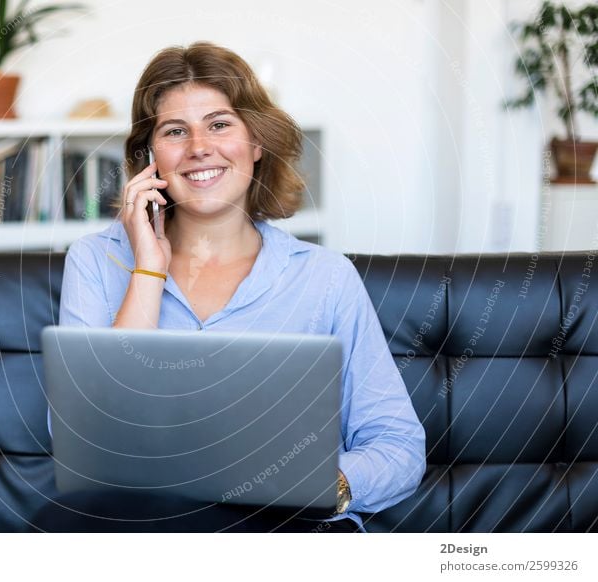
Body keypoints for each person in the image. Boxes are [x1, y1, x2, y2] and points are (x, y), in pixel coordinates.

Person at [47, 42, 425, 533]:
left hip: (288, 526)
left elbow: (396, 444)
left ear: (257, 143)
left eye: (220, 124)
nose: (199, 146)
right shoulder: (98, 260)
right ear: (150, 158)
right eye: (175, 131)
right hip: (147, 525)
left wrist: (314, 488)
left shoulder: (325, 277)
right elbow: (85, 438)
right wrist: (148, 271)